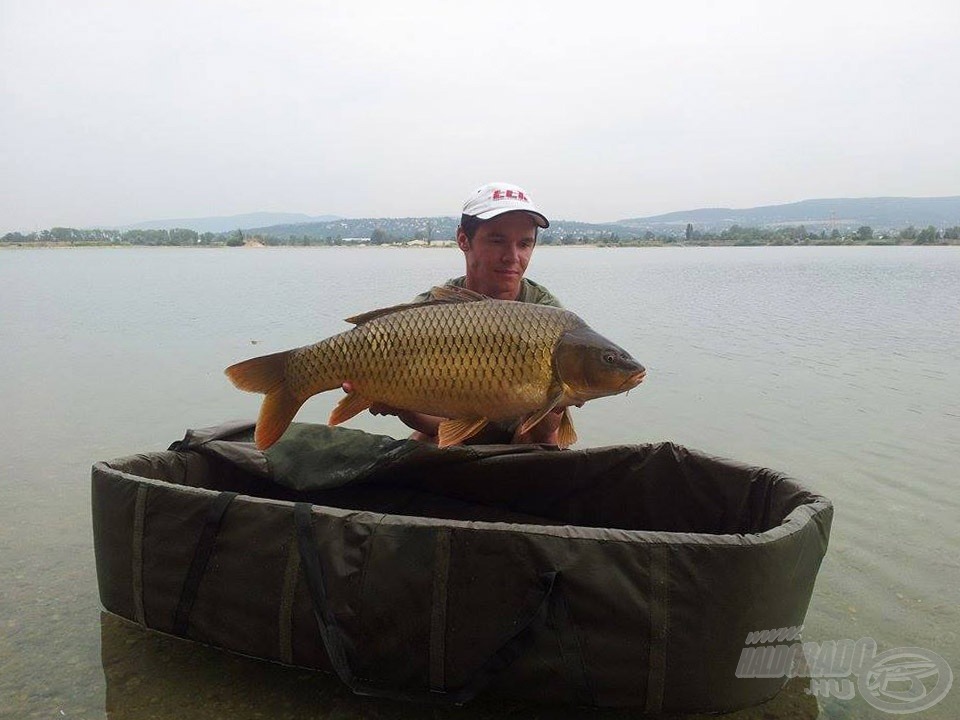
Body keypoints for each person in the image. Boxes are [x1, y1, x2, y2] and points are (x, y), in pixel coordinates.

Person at [344, 182, 570, 445]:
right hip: (448, 428)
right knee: (426, 445)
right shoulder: (432, 309)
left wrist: (558, 402)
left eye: (524, 243)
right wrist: (399, 405)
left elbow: (545, 434)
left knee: (536, 444)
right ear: (463, 239)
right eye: (497, 241)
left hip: (523, 435)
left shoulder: (547, 314)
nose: (512, 256)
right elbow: (436, 427)